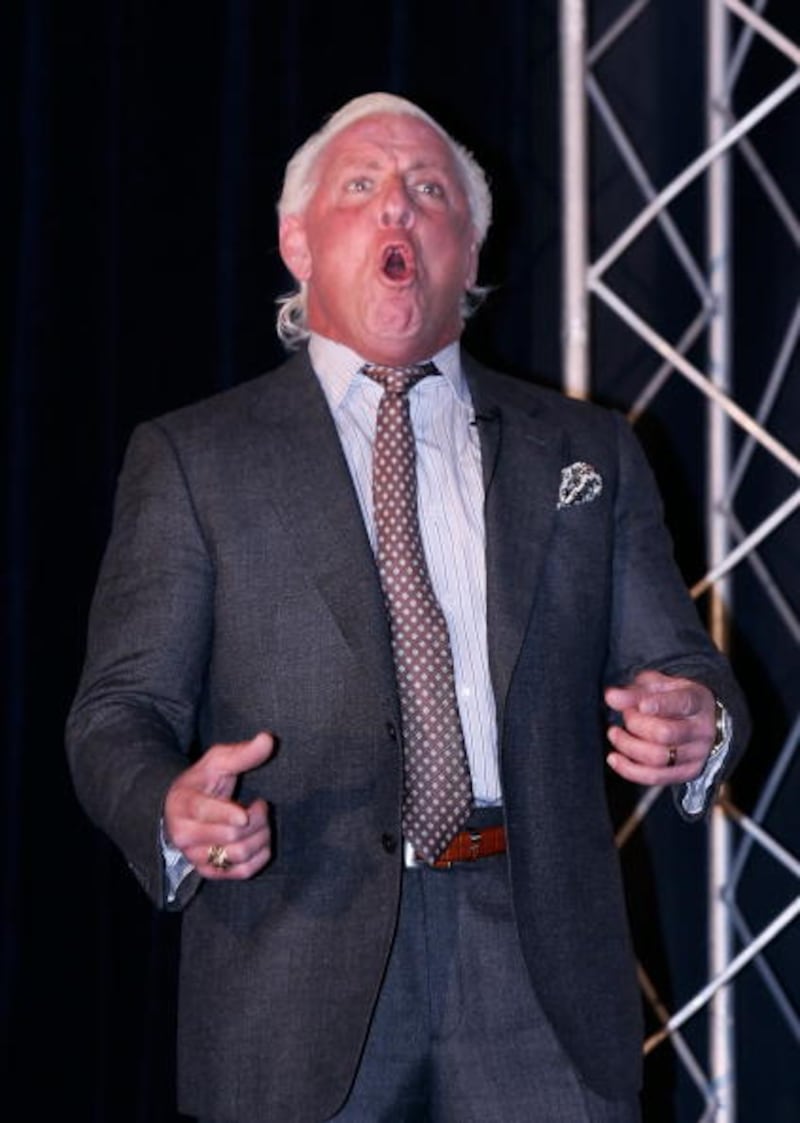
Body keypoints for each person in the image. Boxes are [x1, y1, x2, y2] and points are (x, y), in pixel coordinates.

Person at [66, 92, 749, 1123]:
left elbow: (685, 666)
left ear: (468, 254)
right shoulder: (195, 459)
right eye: (361, 186)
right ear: (297, 244)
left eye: (429, 191)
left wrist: (699, 721)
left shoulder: (586, 452)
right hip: (294, 962)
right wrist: (168, 804)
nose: (397, 207)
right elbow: (116, 712)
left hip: (538, 971)